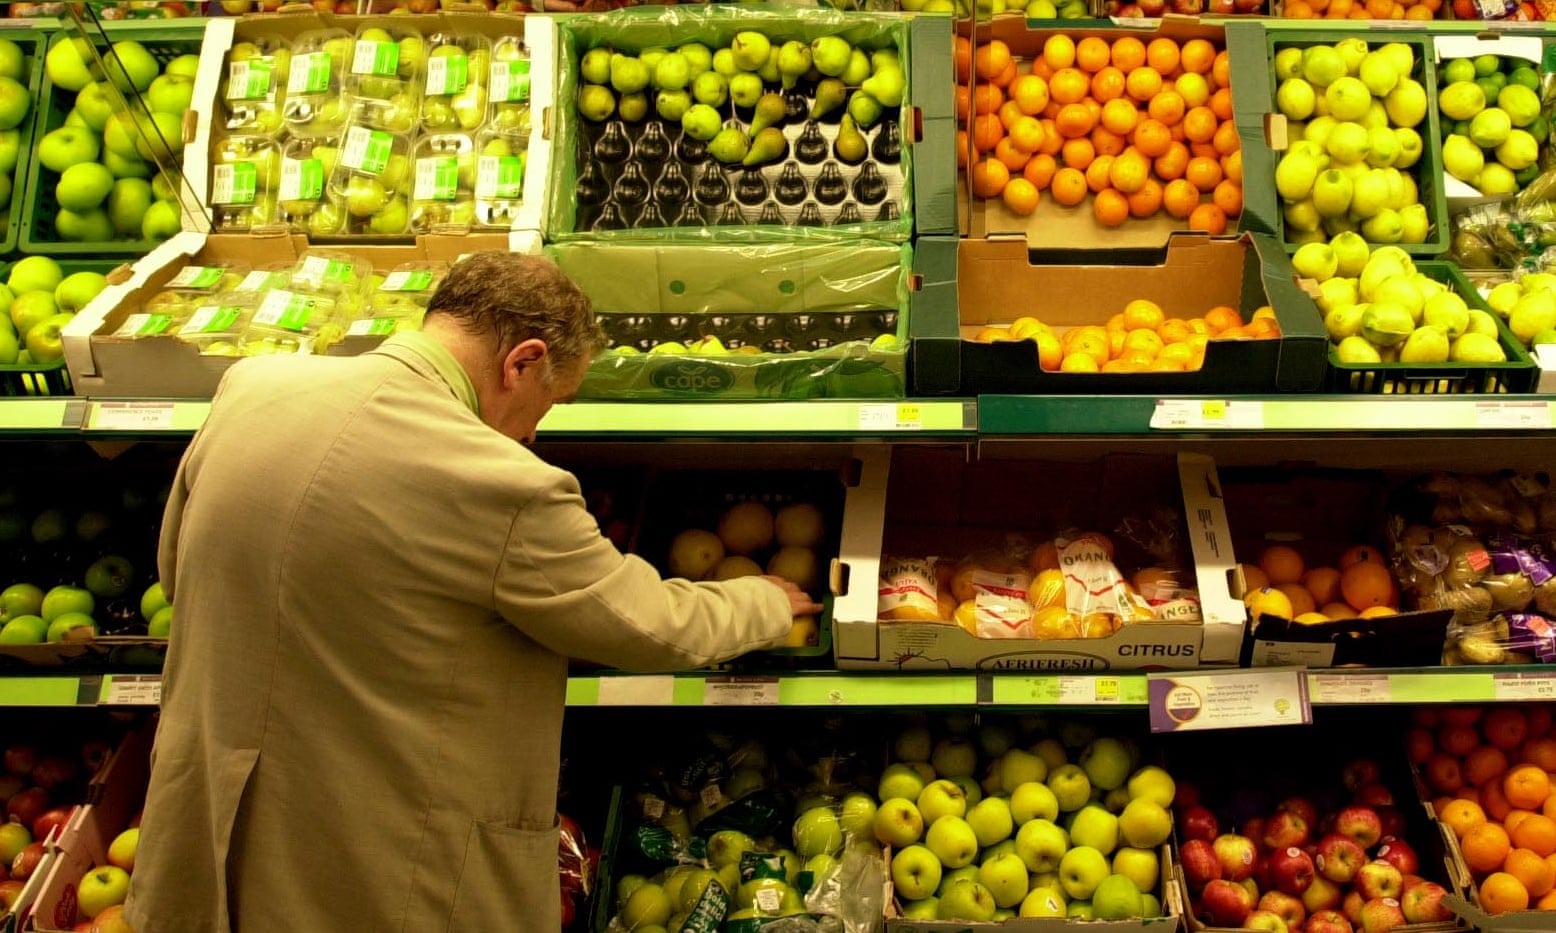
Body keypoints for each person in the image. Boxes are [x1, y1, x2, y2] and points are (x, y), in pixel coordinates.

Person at [124, 252, 820, 933]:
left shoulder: (253, 388)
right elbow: (645, 623)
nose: (535, 431)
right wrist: (763, 601)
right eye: (551, 401)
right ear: (522, 362)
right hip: (362, 865)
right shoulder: (496, 479)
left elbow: (176, 572)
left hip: (209, 832)